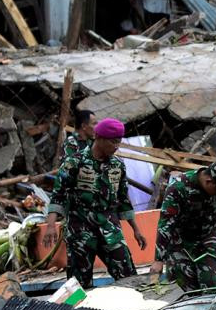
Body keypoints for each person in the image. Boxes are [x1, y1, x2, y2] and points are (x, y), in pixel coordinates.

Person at [44, 118, 149, 288]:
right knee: (79, 284)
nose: (116, 146)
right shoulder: (74, 163)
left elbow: (123, 200)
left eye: (119, 142)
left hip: (110, 228)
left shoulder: (118, 166)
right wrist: (50, 226)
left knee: (128, 275)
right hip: (80, 229)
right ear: (99, 137)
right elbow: (59, 195)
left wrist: (136, 230)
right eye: (113, 141)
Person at [155, 160, 216, 292]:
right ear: (208, 181)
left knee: (213, 284)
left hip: (207, 236)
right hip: (180, 241)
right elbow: (166, 224)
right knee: (185, 289)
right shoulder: (178, 188)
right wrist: (159, 260)